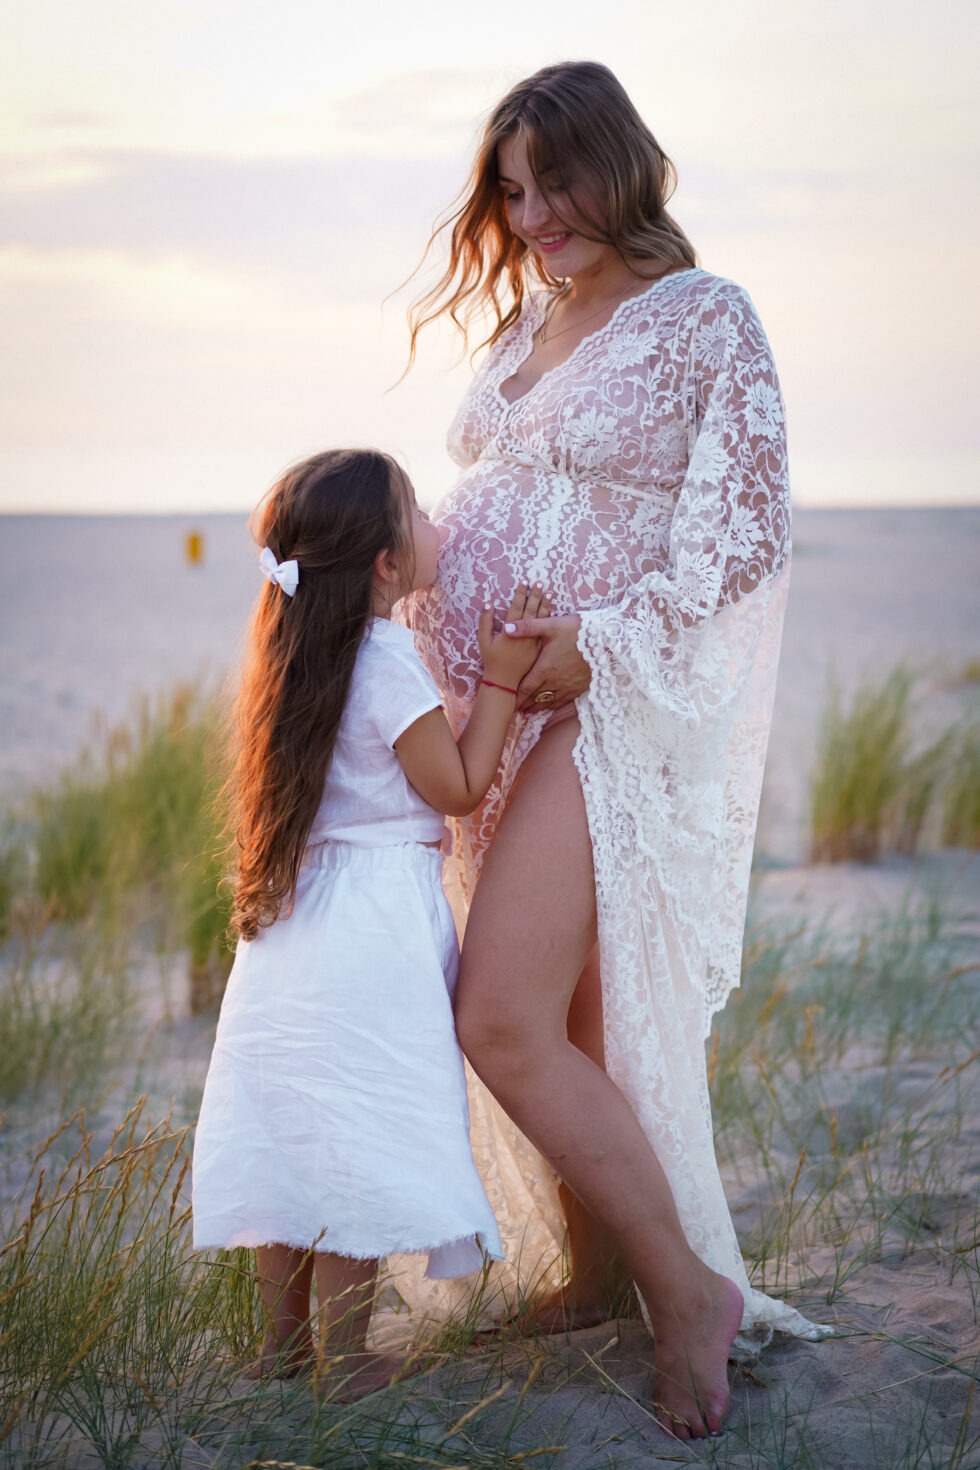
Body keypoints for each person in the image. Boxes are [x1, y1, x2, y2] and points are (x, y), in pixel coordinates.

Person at [399, 61, 829, 1440]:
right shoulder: (529, 322)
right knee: (575, 1018)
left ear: (620, 163)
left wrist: (599, 641)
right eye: (511, 193)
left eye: (552, 183)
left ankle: (687, 1291)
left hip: (606, 708)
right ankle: (591, 1278)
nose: (531, 218)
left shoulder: (705, 318)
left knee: (502, 1014)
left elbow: (742, 531)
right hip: (489, 716)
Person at [191, 447, 551, 1399]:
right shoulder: (388, 658)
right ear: (388, 565)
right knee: (352, 1141)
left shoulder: (295, 653)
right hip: (374, 934)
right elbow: (460, 786)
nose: (439, 524)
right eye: (420, 514)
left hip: (294, 926)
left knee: (290, 1139)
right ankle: (345, 1365)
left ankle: (277, 1355)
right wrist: (506, 680)